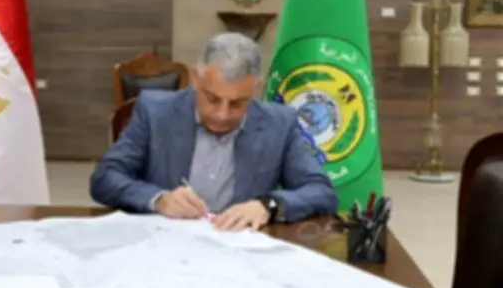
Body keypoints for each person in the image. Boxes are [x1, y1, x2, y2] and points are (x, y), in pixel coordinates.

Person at [90, 32, 337, 230]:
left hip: (240, 253)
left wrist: (268, 205)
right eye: (212, 99)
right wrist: (159, 199)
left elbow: (322, 192)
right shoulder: (154, 112)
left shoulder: (280, 124)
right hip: (165, 247)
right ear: (196, 79)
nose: (222, 114)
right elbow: (105, 178)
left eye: (237, 103)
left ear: (256, 88)